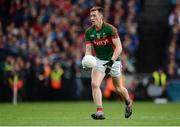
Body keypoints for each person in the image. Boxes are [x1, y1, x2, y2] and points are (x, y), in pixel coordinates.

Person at [83, 6, 133, 120]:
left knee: (119, 88)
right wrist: (86, 60)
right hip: (99, 60)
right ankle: (99, 111)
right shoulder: (89, 32)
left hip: (113, 60)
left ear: (101, 16)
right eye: (91, 16)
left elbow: (119, 48)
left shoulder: (110, 29)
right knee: (95, 84)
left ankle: (128, 103)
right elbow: (88, 50)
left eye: (94, 15)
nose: (92, 18)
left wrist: (111, 61)